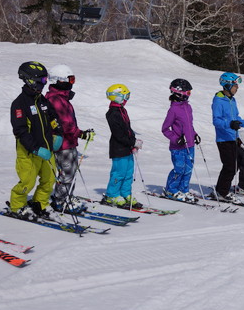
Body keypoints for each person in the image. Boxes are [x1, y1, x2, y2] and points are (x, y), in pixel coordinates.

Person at [8, 61, 64, 221]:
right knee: (27, 181)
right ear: (30, 80)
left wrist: (58, 134)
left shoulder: (42, 100)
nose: (44, 84)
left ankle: (40, 204)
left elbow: (54, 118)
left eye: (45, 81)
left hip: (47, 149)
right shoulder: (19, 104)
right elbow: (20, 130)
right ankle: (17, 206)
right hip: (29, 152)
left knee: (49, 179)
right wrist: (35, 148)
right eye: (42, 81)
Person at [45, 64, 94, 213]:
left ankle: (67, 197)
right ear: (60, 81)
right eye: (70, 80)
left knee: (71, 172)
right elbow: (65, 124)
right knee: (66, 173)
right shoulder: (56, 100)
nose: (72, 83)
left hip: (68, 141)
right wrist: (80, 133)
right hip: (62, 143)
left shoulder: (62, 98)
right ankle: (60, 201)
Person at [211, 72, 244, 202]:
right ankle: (221, 192)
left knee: (235, 165)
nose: (237, 88)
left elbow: (236, 118)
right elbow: (216, 121)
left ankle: (220, 189)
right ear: (227, 85)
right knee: (229, 166)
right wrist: (230, 124)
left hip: (233, 138)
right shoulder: (218, 101)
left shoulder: (232, 100)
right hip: (223, 139)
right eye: (235, 86)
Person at [103, 84, 143, 209]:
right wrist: (132, 142)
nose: (127, 100)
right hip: (118, 148)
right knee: (119, 173)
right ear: (117, 97)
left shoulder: (122, 110)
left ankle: (125, 193)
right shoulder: (112, 113)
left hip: (126, 148)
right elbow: (119, 134)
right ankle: (112, 195)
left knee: (128, 173)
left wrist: (134, 142)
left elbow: (128, 130)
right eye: (126, 97)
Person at [161, 78, 199, 202]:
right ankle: (171, 190)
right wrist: (176, 139)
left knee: (188, 169)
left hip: (190, 145)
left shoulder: (188, 108)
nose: (189, 96)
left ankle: (183, 189)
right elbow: (165, 129)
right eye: (187, 93)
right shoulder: (173, 110)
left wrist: (194, 135)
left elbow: (189, 125)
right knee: (179, 169)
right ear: (178, 93)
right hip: (178, 147)